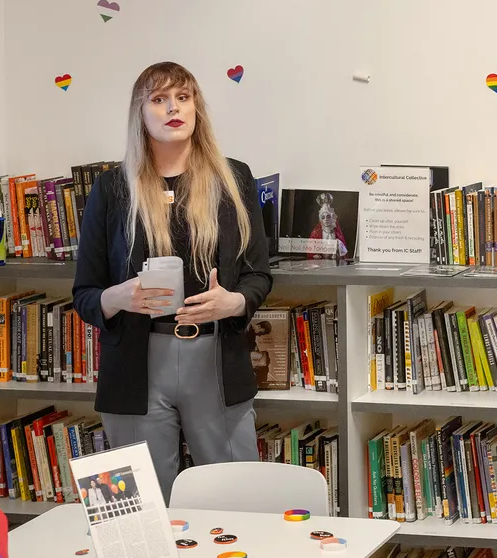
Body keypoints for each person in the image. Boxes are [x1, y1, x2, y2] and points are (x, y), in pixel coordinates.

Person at [72, 61, 272, 503]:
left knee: (238, 504)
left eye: (182, 98)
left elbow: (260, 275)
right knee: (137, 513)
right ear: (140, 114)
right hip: (137, 368)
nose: (172, 109)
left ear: (197, 107)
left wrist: (234, 303)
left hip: (216, 360)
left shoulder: (234, 178)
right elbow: (84, 294)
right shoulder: (111, 188)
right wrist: (117, 297)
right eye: (158, 100)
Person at [307, 193, 348, 259]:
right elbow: (310, 249)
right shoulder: (316, 233)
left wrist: (338, 254)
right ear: (320, 220)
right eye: (323, 217)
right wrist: (314, 255)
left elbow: (343, 252)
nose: (326, 219)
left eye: (328, 217)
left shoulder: (336, 233)